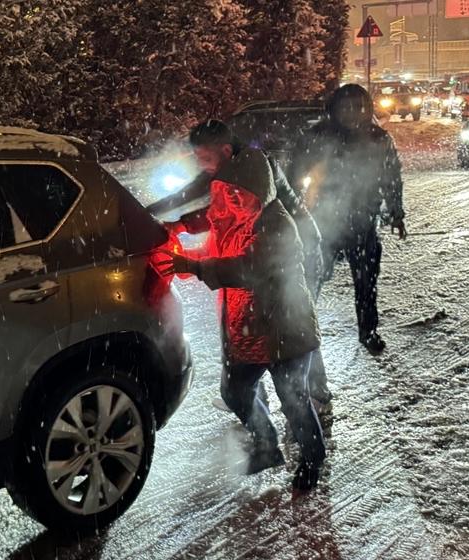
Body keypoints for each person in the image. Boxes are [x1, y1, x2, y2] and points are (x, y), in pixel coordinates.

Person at [155, 141, 328, 491]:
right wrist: (181, 234)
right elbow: (212, 231)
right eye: (228, 193)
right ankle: (266, 445)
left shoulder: (276, 223)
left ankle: (312, 461)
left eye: (240, 194)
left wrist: (195, 266)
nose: (232, 201)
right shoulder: (234, 217)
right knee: (235, 391)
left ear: (259, 192)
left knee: (293, 400)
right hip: (249, 329)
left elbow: (248, 268)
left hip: (285, 328)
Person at [166, 120, 333, 419]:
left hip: (298, 251)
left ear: (226, 151)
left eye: (205, 158)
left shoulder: (257, 170)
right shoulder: (230, 169)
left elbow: (233, 212)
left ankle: (316, 397)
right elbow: (215, 206)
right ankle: (258, 398)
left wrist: (195, 259)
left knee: (292, 330)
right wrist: (172, 218)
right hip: (274, 249)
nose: (202, 166)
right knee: (265, 326)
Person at [290, 84, 406, 353]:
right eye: (347, 107)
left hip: (363, 221)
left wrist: (396, 213)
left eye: (359, 107)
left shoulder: (378, 139)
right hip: (323, 222)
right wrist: (292, 212)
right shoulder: (317, 137)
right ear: (335, 109)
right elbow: (294, 174)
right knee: (313, 276)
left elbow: (392, 178)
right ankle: (301, 331)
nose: (353, 113)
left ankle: (369, 331)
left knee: (366, 282)